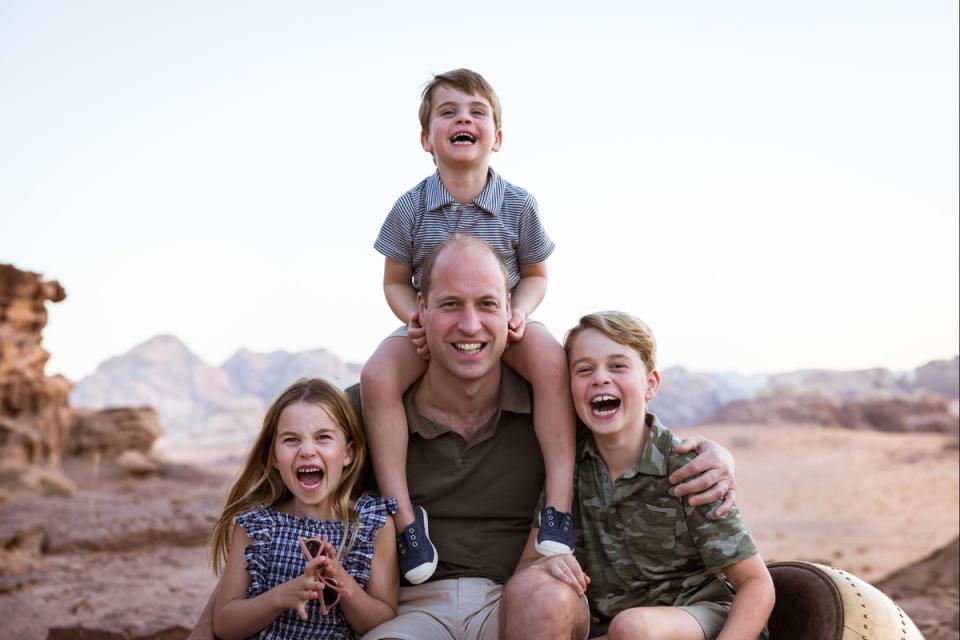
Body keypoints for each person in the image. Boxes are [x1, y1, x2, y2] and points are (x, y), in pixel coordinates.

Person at [189, 236, 737, 640]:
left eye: (487, 305)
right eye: (451, 304)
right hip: (409, 609)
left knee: (546, 595)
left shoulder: (552, 407)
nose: (470, 325)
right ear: (420, 312)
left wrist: (718, 454)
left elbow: (628, 427)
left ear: (511, 316)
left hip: (518, 600)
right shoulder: (368, 414)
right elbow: (275, 512)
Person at [360, 68, 577, 584]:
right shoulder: (411, 207)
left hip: (502, 322)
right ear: (425, 138)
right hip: (434, 325)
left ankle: (559, 506)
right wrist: (411, 315)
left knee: (550, 359)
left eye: (477, 112)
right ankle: (405, 520)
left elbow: (536, 274)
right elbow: (393, 280)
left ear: (496, 137)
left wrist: (519, 311)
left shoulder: (518, 204)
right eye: (449, 112)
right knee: (376, 376)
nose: (464, 119)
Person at [503, 312, 775, 640]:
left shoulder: (689, 469)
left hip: (699, 619)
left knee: (634, 627)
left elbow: (756, 584)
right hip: (612, 631)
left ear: (650, 384)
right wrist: (544, 566)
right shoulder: (568, 471)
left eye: (618, 366)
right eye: (584, 369)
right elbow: (526, 573)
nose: (600, 378)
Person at [207, 378, 399, 639]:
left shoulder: (371, 525)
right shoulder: (257, 525)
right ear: (274, 457)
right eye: (291, 439)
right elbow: (225, 625)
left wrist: (338, 579)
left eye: (323, 437)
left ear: (348, 453)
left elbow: (379, 621)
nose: (307, 450)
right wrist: (281, 596)